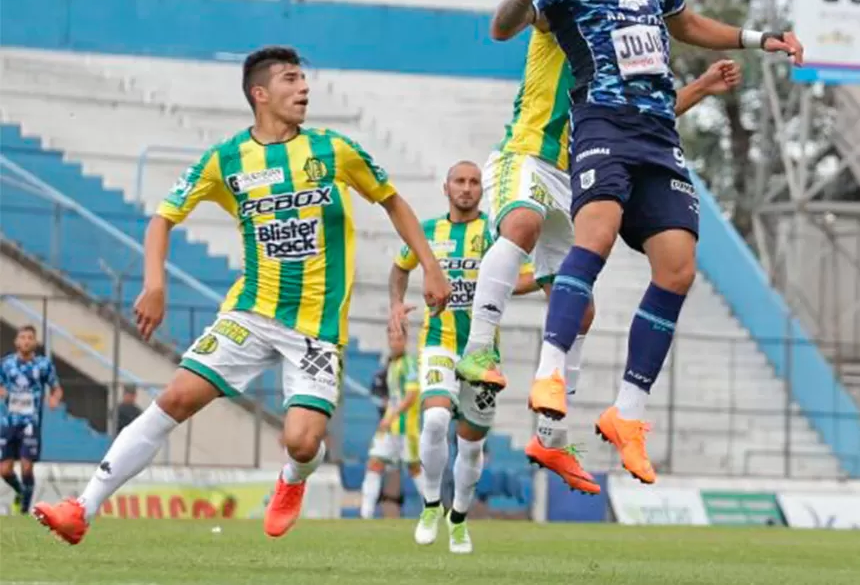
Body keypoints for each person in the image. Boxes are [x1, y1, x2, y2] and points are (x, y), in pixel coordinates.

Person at [32, 46, 451, 545]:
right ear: (260, 93)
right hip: (251, 311)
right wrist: (155, 283)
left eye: (304, 79)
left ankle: (294, 475)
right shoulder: (226, 160)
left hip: (315, 328)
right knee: (175, 398)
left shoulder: (332, 150)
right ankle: (81, 508)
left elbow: (392, 201)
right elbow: (163, 218)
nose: (304, 88)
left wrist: (429, 265)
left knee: (300, 441)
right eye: (291, 80)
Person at [483, 0, 802, 483]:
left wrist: (758, 38)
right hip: (601, 123)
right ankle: (549, 376)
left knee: (678, 269)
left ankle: (628, 414)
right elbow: (502, 27)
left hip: (659, 133)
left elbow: (685, 23)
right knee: (594, 239)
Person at [453, 0, 741, 494]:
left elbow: (646, 116)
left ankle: (549, 438)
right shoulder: (562, 15)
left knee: (581, 309)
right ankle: (478, 349)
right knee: (522, 223)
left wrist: (700, 88)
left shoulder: (621, 49)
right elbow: (508, 20)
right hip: (529, 154)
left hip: (577, 172)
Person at [390, 160, 526, 551]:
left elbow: (528, 276)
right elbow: (399, 269)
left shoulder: (496, 235)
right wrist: (396, 304)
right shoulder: (429, 232)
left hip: (482, 352)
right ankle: (431, 504)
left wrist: (502, 285)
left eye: (474, 182)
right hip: (438, 341)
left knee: (470, 444)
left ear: (482, 190)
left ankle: (460, 517)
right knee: (434, 420)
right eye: (459, 181)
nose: (466, 188)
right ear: (445, 187)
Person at [359, 330, 421, 522]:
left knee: (415, 469)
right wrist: (388, 417)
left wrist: (392, 416)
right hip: (389, 425)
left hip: (405, 428)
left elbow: (411, 396)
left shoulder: (410, 363)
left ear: (406, 340)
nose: (395, 343)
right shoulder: (393, 364)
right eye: (392, 339)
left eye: (399, 339)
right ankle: (365, 514)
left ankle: (433, 509)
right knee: (374, 463)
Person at [1, 325, 63, 514]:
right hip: (8, 423)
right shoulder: (6, 364)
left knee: (27, 468)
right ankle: (20, 491)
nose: (26, 341)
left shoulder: (43, 365)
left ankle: (24, 511)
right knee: (4, 470)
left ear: (35, 342)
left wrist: (54, 398)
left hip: (31, 424)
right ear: (16, 341)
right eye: (23, 337)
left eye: (30, 337)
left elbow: (56, 388)